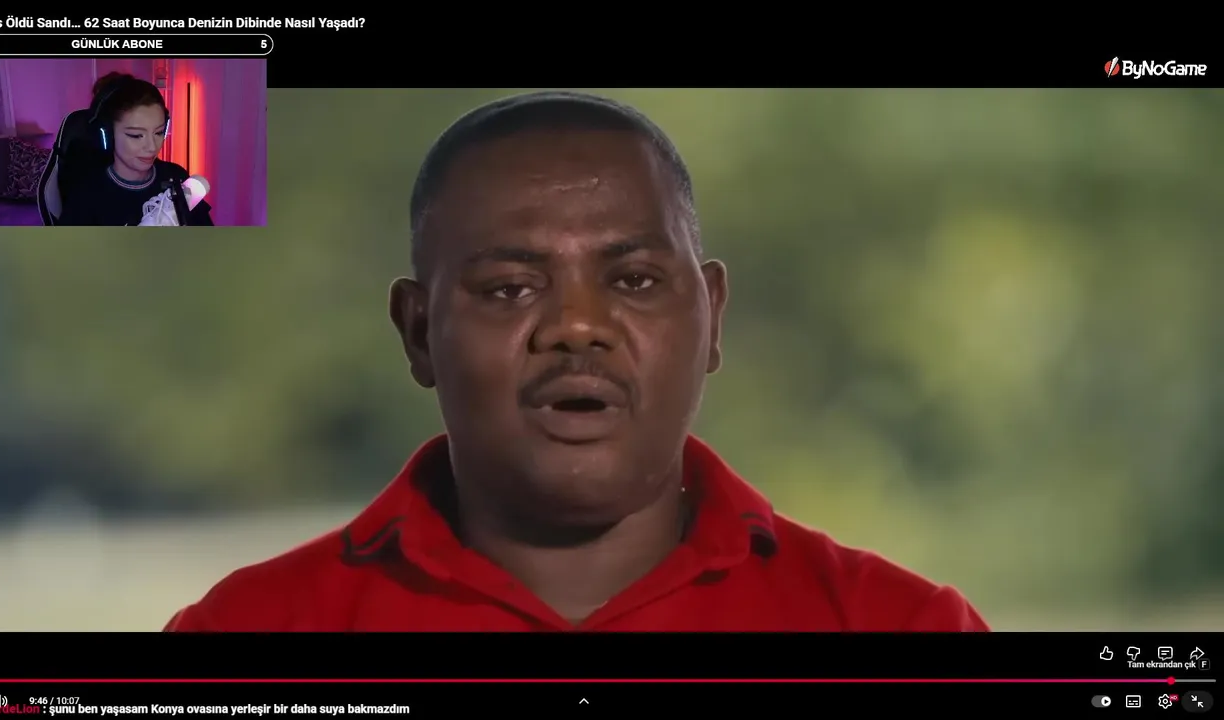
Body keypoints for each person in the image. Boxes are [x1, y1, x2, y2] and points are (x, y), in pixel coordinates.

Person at [165, 91, 988, 632]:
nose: (577, 326)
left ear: (711, 318)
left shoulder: (898, 630)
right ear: (417, 332)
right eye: (509, 288)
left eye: (634, 280)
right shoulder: (247, 637)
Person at [56, 73, 213, 226]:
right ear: (108, 135)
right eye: (136, 135)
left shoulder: (176, 176)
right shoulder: (86, 194)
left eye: (159, 132)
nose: (152, 147)